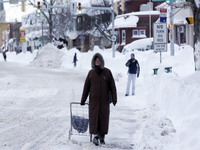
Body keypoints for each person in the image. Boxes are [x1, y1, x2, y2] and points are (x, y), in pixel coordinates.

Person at [80, 53, 117, 146]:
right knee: (94, 118)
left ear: (101, 61)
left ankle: (102, 137)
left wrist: (114, 98)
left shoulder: (107, 72)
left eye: (99, 60)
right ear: (93, 62)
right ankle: (96, 136)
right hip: (94, 101)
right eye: (96, 61)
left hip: (104, 101)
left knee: (103, 119)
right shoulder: (91, 73)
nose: (97, 62)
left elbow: (112, 86)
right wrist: (83, 100)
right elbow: (86, 87)